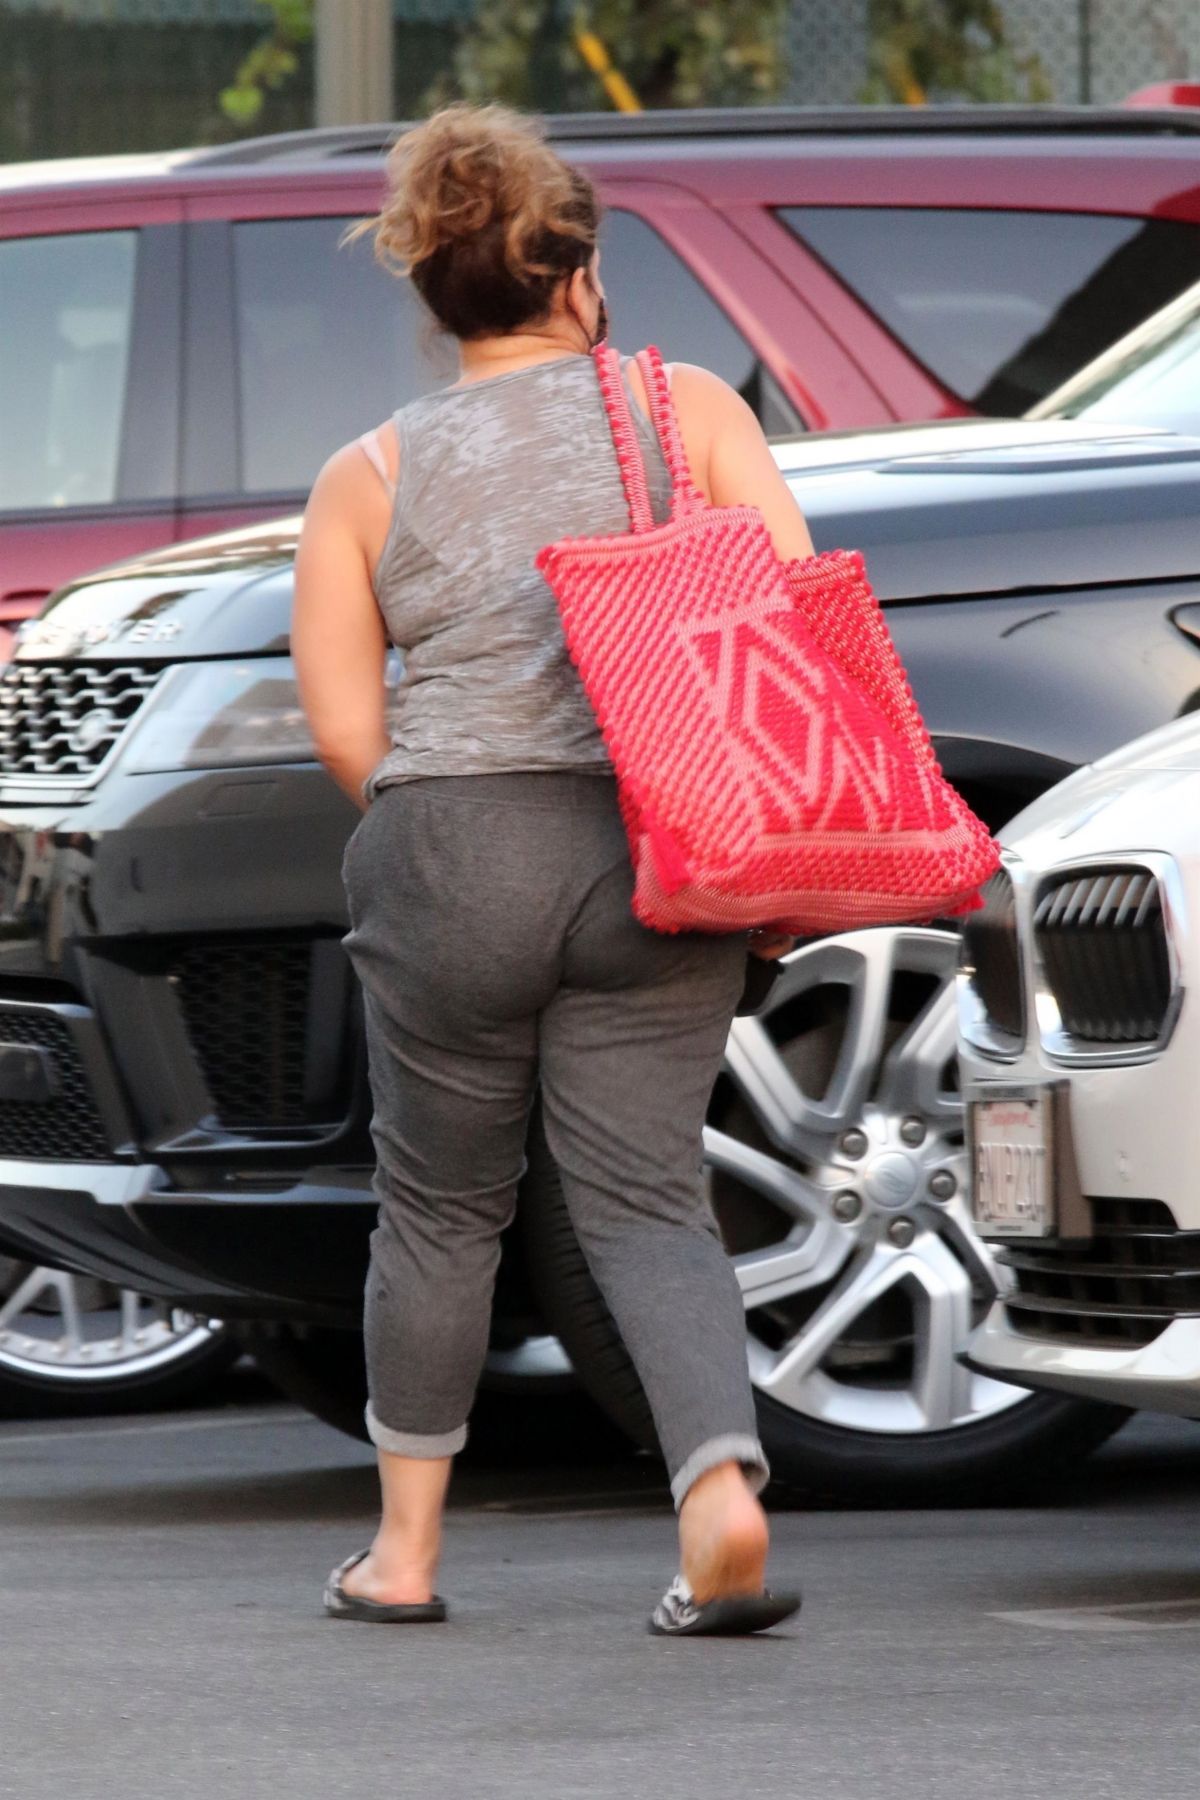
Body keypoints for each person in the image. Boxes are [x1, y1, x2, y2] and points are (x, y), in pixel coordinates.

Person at [293, 103, 814, 1637]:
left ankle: (403, 1555)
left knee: (441, 1208)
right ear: (581, 278)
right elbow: (787, 618)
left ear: (429, 290)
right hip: (659, 840)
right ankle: (719, 1492)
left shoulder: (366, 472)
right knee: (649, 1198)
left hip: (450, 841)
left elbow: (348, 733)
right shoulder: (688, 410)